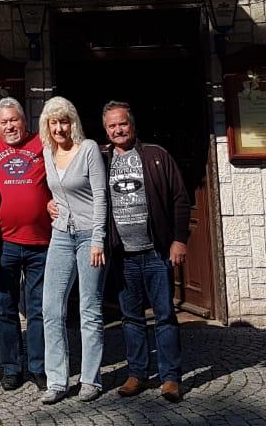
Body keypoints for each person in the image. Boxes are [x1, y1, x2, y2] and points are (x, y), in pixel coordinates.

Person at [102, 101, 190, 403]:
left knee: (165, 316)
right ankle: (137, 374)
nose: (118, 129)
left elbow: (180, 197)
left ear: (132, 125)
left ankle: (170, 378)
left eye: (122, 123)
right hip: (122, 256)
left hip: (155, 253)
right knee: (131, 318)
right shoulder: (100, 159)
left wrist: (179, 240)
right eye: (112, 125)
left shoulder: (156, 155)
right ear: (106, 130)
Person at [0, 97, 52, 392]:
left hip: (40, 243)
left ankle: (38, 367)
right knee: (6, 308)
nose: (10, 126)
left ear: (25, 120)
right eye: (4, 122)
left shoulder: (42, 143)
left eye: (15, 120)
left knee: (37, 309)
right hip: (4, 243)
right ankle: (11, 368)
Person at [39, 96, 107, 405]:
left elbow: (100, 196)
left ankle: (91, 379)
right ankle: (57, 381)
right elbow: (55, 191)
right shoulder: (47, 152)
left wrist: (98, 238)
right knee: (51, 308)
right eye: (53, 122)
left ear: (73, 122)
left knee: (89, 308)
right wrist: (49, 203)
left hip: (88, 236)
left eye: (63, 121)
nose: (59, 128)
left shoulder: (88, 149)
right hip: (61, 236)